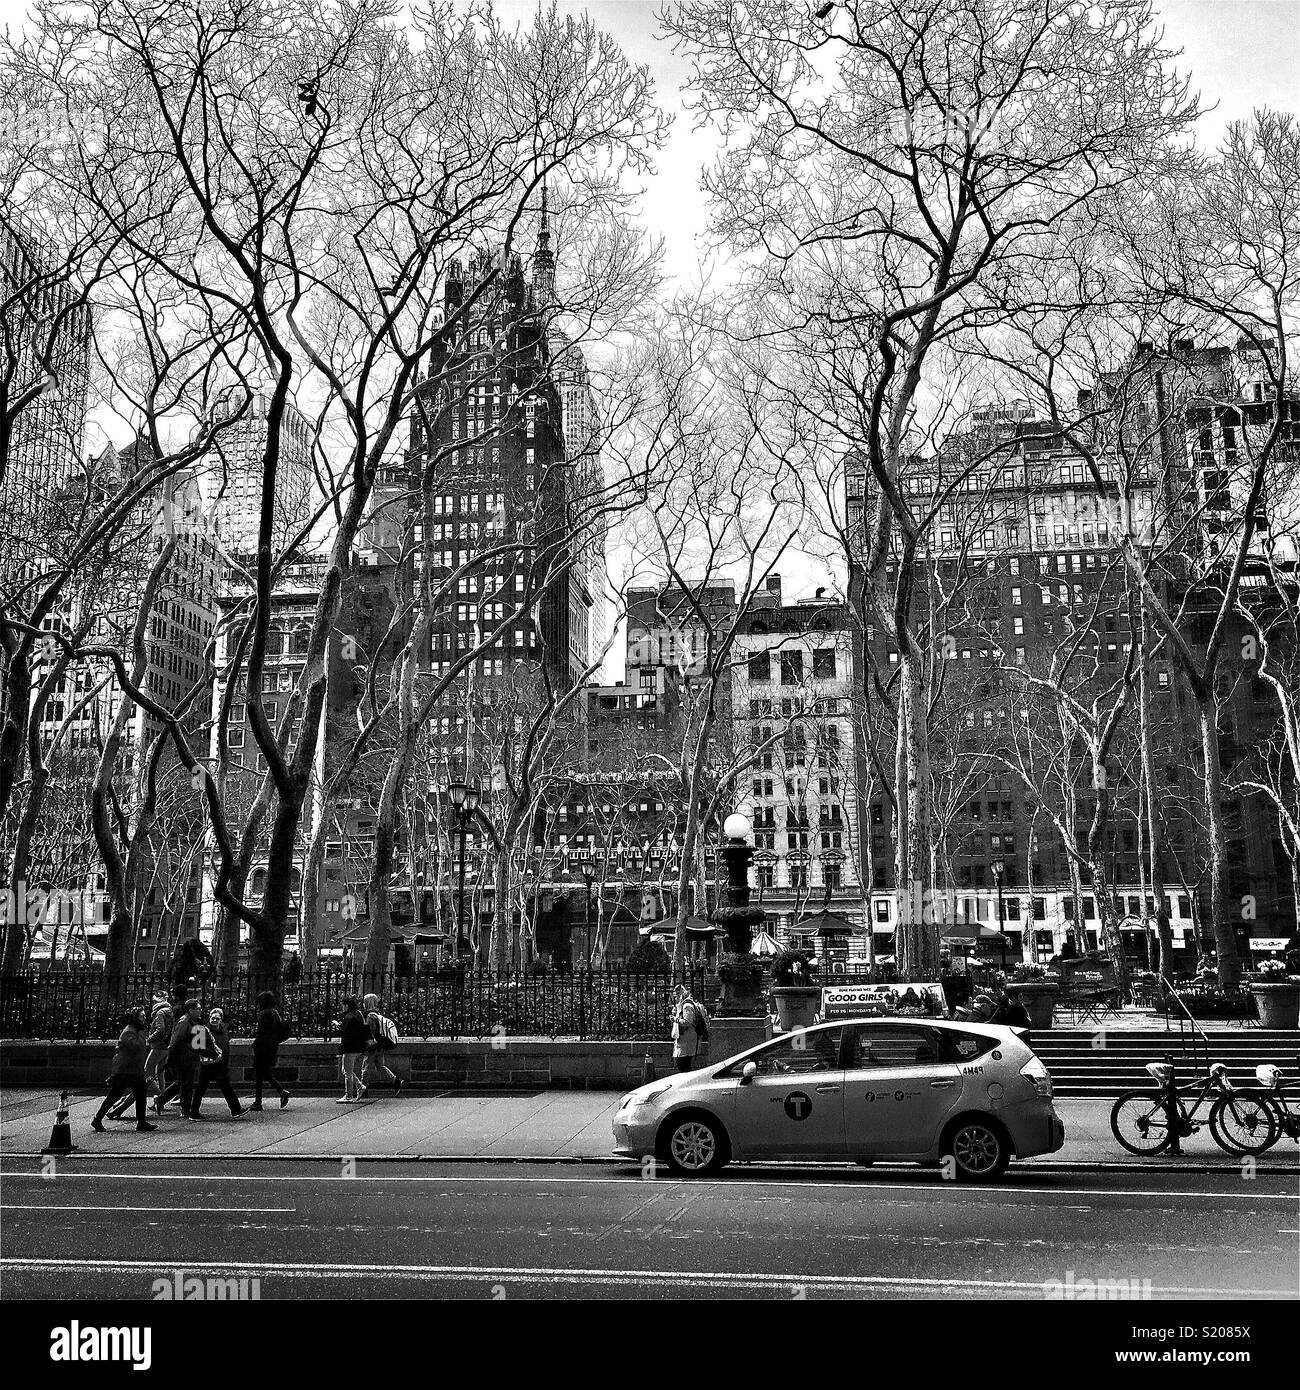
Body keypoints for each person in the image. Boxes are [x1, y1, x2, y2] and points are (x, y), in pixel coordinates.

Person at [107, 990, 173, 1121]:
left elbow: (160, 1030)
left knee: (147, 1072)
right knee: (159, 1073)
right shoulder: (169, 1011)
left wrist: (150, 1038)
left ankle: (160, 1097)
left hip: (158, 1046)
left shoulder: (159, 1012)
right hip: (165, 1046)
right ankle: (160, 1100)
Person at [91, 1009, 157, 1133]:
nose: (144, 1018)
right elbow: (138, 1046)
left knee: (141, 1093)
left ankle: (141, 1122)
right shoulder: (129, 1032)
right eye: (142, 1016)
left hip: (134, 1069)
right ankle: (97, 1119)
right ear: (135, 1018)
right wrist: (143, 1032)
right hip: (125, 1070)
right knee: (114, 1095)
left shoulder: (134, 1031)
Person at [165, 998, 219, 1121]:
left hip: (190, 1057)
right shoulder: (185, 1023)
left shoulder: (195, 1022)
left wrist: (209, 1052)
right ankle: (185, 1110)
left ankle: (165, 1101)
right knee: (186, 1084)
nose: (200, 1011)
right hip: (183, 1058)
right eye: (198, 1009)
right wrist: (171, 1058)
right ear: (191, 1010)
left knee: (184, 1083)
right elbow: (176, 1042)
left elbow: (198, 1044)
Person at [191, 1008, 245, 1119]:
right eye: (212, 1018)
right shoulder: (202, 1030)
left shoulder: (223, 1030)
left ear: (221, 1020)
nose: (214, 1020)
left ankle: (236, 1110)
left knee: (226, 1087)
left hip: (220, 1065)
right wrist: (212, 1054)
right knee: (201, 1089)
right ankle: (194, 1112)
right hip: (208, 1065)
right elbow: (196, 1047)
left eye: (217, 1018)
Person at [249, 990, 290, 1110]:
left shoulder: (264, 1014)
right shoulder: (275, 1013)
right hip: (272, 1047)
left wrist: (255, 1044)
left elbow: (262, 1033)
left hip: (263, 1048)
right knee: (264, 1073)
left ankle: (259, 1102)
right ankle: (280, 1092)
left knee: (260, 1074)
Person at [359, 993, 404, 1098]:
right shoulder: (377, 1015)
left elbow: (371, 1033)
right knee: (380, 1066)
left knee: (365, 1068)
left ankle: (363, 1088)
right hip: (380, 1045)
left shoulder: (370, 1016)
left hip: (373, 1047)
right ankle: (395, 1081)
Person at [336, 995, 370, 1102]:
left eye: (343, 1006)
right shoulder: (359, 1014)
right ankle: (360, 1086)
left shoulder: (348, 1017)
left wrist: (341, 1050)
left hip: (349, 1048)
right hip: (358, 1047)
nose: (342, 1008)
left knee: (347, 1073)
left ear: (346, 1006)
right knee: (345, 1070)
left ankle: (348, 1095)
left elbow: (346, 1034)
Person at [670, 985, 707, 1073]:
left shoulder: (687, 1006)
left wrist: (675, 1019)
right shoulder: (684, 1005)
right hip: (685, 1039)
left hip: (687, 1039)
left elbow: (688, 1022)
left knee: (683, 1064)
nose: (676, 998)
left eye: (677, 996)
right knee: (683, 1064)